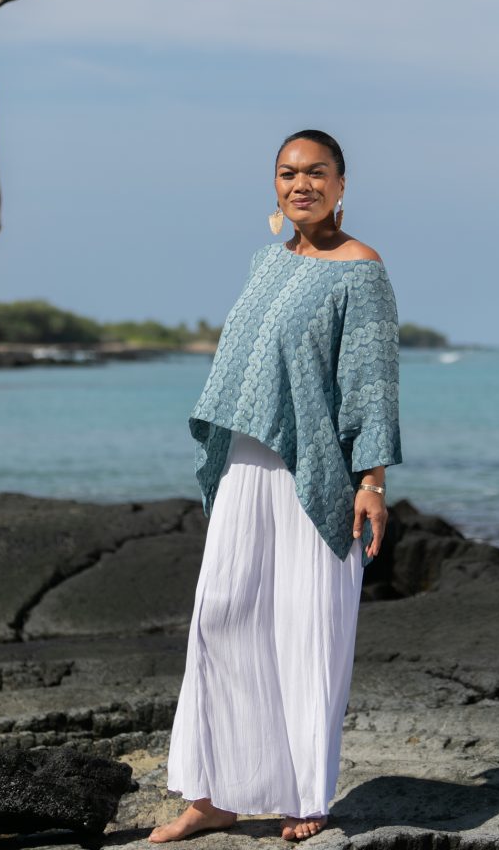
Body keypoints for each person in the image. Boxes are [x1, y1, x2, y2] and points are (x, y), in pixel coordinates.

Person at [149, 129, 402, 843]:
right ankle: (212, 794)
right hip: (246, 464)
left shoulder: (362, 271)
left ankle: (306, 794)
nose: (301, 185)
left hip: (313, 470)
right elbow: (248, 368)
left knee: (308, 628)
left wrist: (371, 480)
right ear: (274, 185)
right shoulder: (264, 263)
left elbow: (371, 385)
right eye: (288, 174)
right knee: (221, 616)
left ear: (342, 185)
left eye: (316, 173)